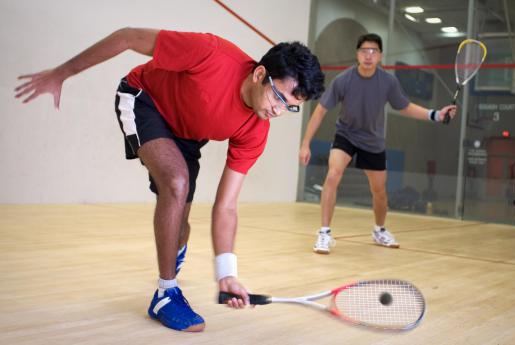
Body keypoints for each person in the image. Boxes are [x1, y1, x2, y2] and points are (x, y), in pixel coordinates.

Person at [15, 28, 325, 331]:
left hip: (186, 136)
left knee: (180, 226)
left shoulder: (256, 130)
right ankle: (165, 293)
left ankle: (173, 249)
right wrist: (61, 73)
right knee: (177, 183)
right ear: (260, 75)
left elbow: (227, 206)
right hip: (142, 99)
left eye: (290, 106)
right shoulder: (211, 53)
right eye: (278, 97)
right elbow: (127, 37)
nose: (279, 110)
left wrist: (226, 273)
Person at [299, 33, 455, 254]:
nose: (368, 55)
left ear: (380, 56)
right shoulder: (343, 80)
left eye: (373, 51)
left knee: (379, 190)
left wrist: (435, 115)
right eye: (364, 51)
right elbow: (320, 110)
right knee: (333, 174)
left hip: (373, 140)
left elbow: (405, 106)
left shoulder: (388, 81)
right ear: (357, 54)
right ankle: (324, 233)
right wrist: (306, 143)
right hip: (346, 135)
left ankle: (379, 230)